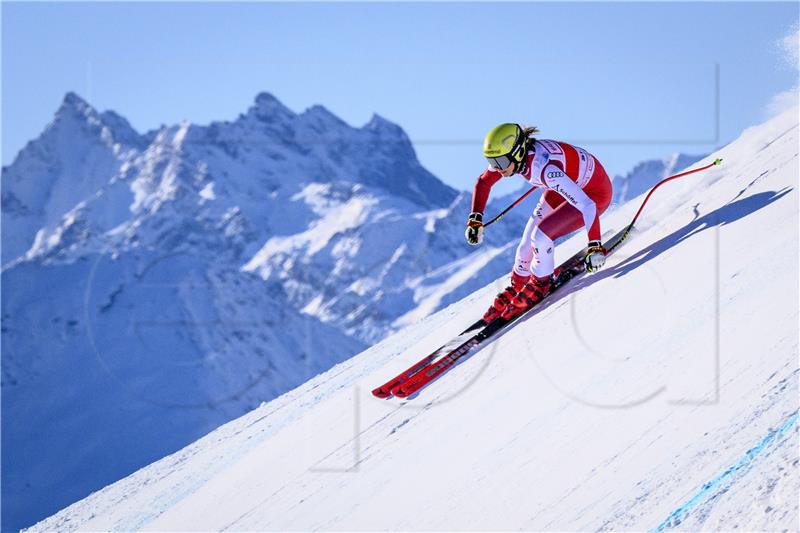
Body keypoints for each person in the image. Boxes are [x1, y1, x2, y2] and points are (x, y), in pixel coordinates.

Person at [466, 123, 613, 322]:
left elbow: (587, 205)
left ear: (517, 153)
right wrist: (475, 219)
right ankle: (518, 286)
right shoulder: (512, 159)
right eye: (492, 161)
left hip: (593, 194)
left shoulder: (545, 169)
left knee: (541, 235)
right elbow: (483, 182)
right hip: (565, 185)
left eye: (500, 161)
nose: (497, 168)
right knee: (527, 240)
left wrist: (595, 246)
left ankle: (540, 284)